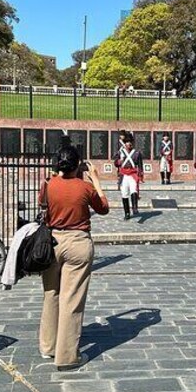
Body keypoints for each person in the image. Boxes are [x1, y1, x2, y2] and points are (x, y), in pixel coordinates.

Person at [39, 145, 110, 371]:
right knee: (71, 299)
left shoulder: (48, 184)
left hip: (52, 242)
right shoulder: (85, 187)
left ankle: (48, 346)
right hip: (78, 243)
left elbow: (43, 207)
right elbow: (104, 208)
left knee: (51, 294)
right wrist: (96, 180)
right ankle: (67, 356)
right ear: (78, 164)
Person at [113, 131, 144, 220]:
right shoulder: (120, 152)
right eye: (127, 142)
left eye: (130, 142)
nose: (129, 144)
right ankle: (127, 213)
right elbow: (115, 163)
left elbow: (140, 165)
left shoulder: (137, 153)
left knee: (134, 190)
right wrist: (120, 161)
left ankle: (134, 208)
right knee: (124, 193)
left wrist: (140, 175)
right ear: (125, 143)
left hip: (133, 174)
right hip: (123, 175)